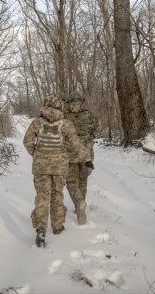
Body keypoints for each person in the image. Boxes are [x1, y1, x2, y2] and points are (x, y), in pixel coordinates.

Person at [23, 94, 90, 247]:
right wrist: (86, 159)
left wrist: (37, 154)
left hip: (40, 167)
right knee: (57, 194)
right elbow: (75, 143)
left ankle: (41, 228)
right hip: (60, 166)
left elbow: (27, 142)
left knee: (42, 196)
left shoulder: (36, 123)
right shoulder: (66, 123)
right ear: (60, 106)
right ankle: (58, 226)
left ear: (45, 105)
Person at [63, 91, 99, 225]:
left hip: (70, 154)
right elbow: (96, 128)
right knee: (83, 180)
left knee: (71, 182)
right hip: (86, 154)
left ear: (70, 102)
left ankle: (79, 203)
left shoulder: (64, 116)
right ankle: (80, 206)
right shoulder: (89, 115)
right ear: (82, 101)